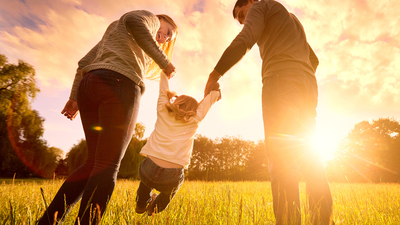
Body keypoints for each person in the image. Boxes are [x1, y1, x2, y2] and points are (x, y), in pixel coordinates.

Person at [37, 11, 178, 225]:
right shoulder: (148, 18)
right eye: (167, 31)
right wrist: (164, 61)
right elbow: (133, 20)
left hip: (90, 87)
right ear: (161, 20)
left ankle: (47, 221)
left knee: (93, 162)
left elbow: (83, 62)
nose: (166, 37)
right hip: (119, 85)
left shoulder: (116, 32)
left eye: (169, 37)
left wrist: (74, 98)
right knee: (107, 165)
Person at [204, 0, 334, 224]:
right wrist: (298, 73)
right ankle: (323, 220)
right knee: (307, 155)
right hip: (307, 85)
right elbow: (314, 59)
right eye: (241, 20)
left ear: (252, 3)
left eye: (243, 15)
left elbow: (245, 40)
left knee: (281, 155)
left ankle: (288, 221)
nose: (244, 21)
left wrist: (214, 75)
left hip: (280, 81)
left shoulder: (261, 6)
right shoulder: (291, 19)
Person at [135, 71, 221, 216]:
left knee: (146, 181)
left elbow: (163, 89)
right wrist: (215, 93)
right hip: (172, 174)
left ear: (176, 101)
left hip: (149, 168)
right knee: (169, 193)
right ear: (194, 110)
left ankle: (141, 204)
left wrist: (164, 73)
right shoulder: (195, 119)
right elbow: (209, 101)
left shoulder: (163, 109)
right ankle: (154, 209)